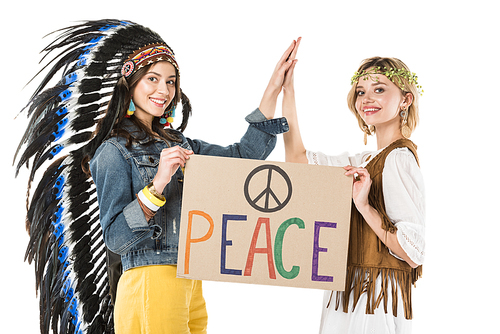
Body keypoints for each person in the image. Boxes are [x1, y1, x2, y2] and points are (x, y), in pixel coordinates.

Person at [15, 19, 299, 334]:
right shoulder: (112, 151)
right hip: (151, 279)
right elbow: (116, 238)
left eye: (171, 81)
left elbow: (243, 158)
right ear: (131, 82)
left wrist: (274, 88)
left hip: (190, 276)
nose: (163, 90)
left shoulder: (178, 143)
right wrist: (158, 183)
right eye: (152, 79)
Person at [281, 50, 425, 334]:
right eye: (361, 91)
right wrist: (288, 90)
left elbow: (412, 251)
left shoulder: (398, 158)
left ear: (405, 100)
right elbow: (297, 160)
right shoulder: (365, 161)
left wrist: (364, 207)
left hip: (373, 299)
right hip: (350, 291)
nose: (366, 99)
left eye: (379, 89)